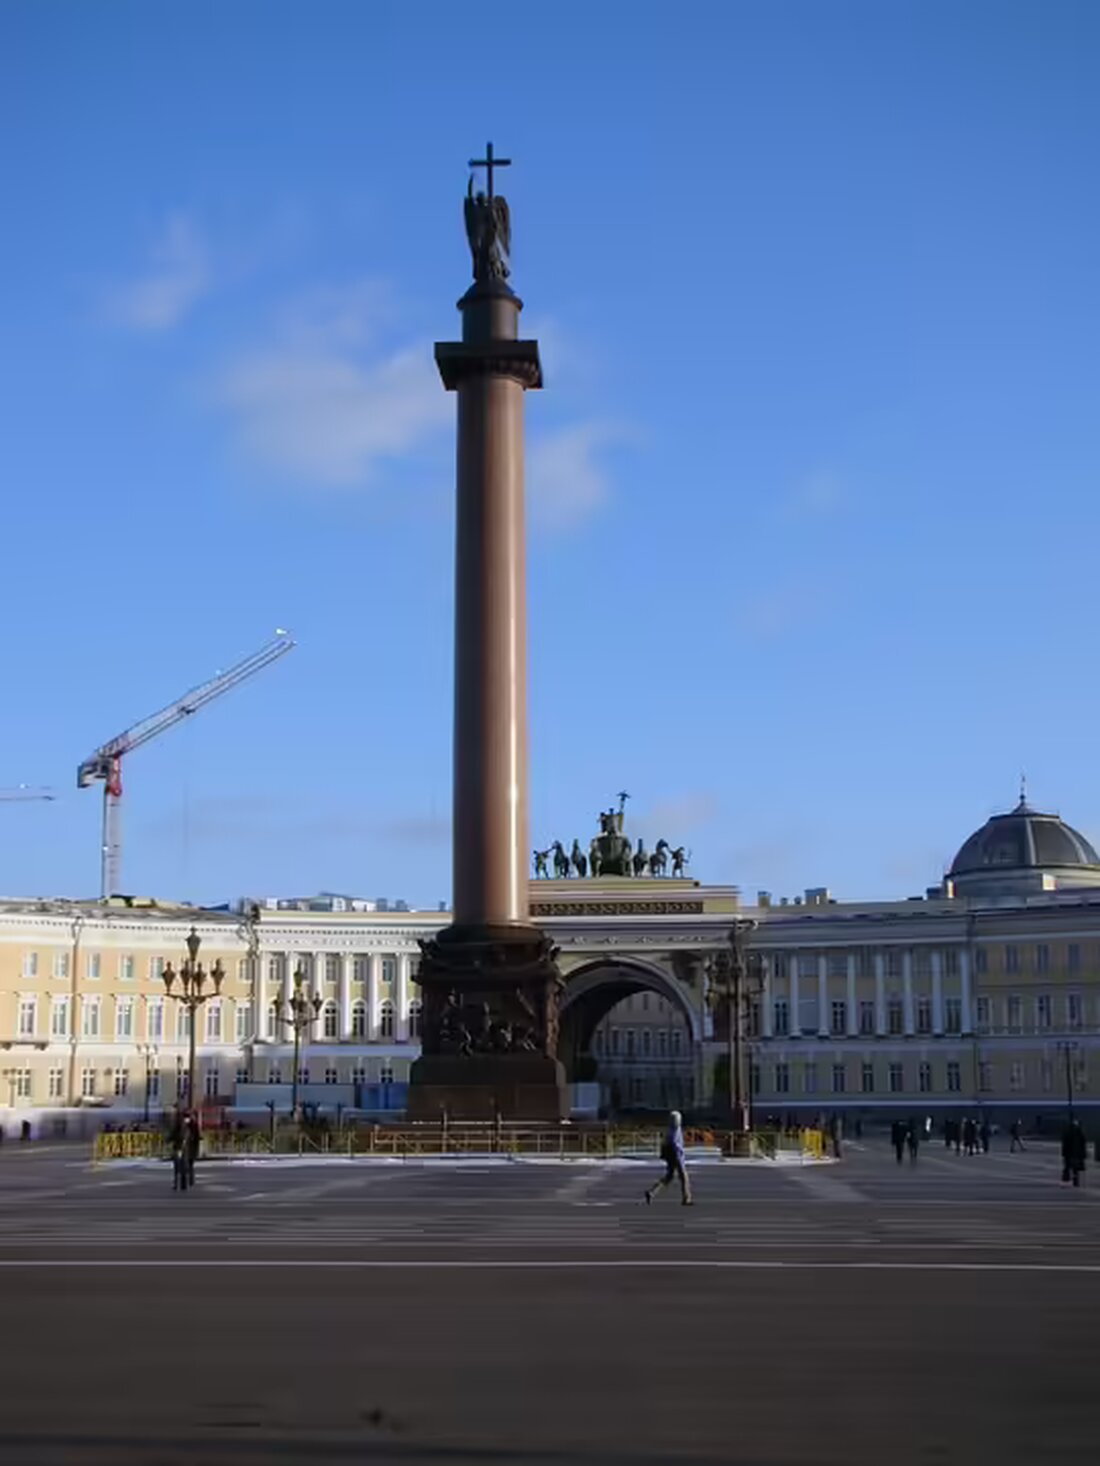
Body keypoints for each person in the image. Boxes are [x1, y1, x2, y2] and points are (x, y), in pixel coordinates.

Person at [645, 1110, 693, 1206]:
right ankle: (686, 1199)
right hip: (677, 1156)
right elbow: (676, 1145)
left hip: (672, 1156)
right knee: (684, 1177)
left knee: (669, 1177)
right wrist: (680, 1156)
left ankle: (652, 1192)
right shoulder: (675, 1130)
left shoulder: (670, 1130)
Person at [1061, 1118, 1087, 1188]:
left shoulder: (1068, 1133)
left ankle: (1067, 1180)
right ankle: (1075, 1180)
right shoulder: (1080, 1133)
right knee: (1075, 1168)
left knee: (1068, 1167)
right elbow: (1083, 1144)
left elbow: (1065, 1144)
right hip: (1076, 1154)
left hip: (1071, 1153)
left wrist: (1064, 1153)